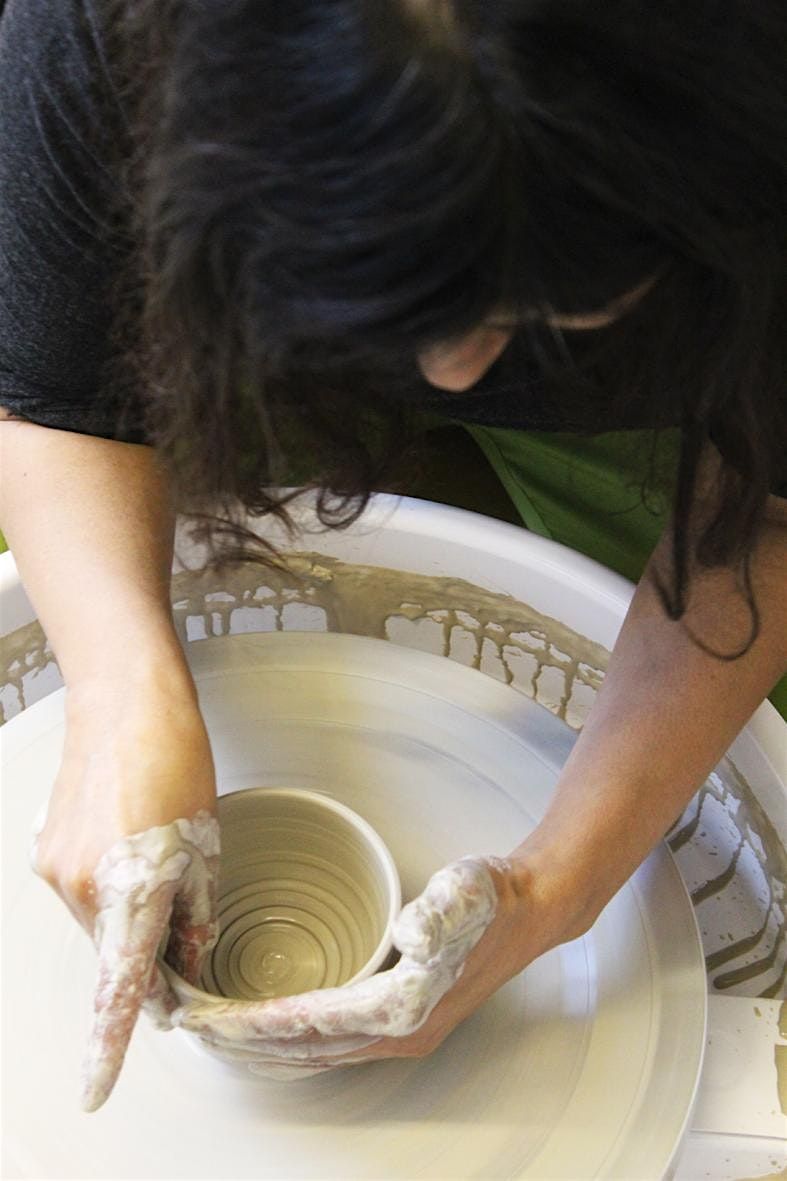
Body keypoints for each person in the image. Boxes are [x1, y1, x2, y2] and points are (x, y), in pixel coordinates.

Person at [1, 0, 785, 1112]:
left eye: (547, 299)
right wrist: (123, 693)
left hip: (677, 370)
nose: (456, 370)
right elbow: (58, 399)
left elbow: (766, 521)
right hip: (258, 318)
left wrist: (556, 887)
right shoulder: (102, 38)